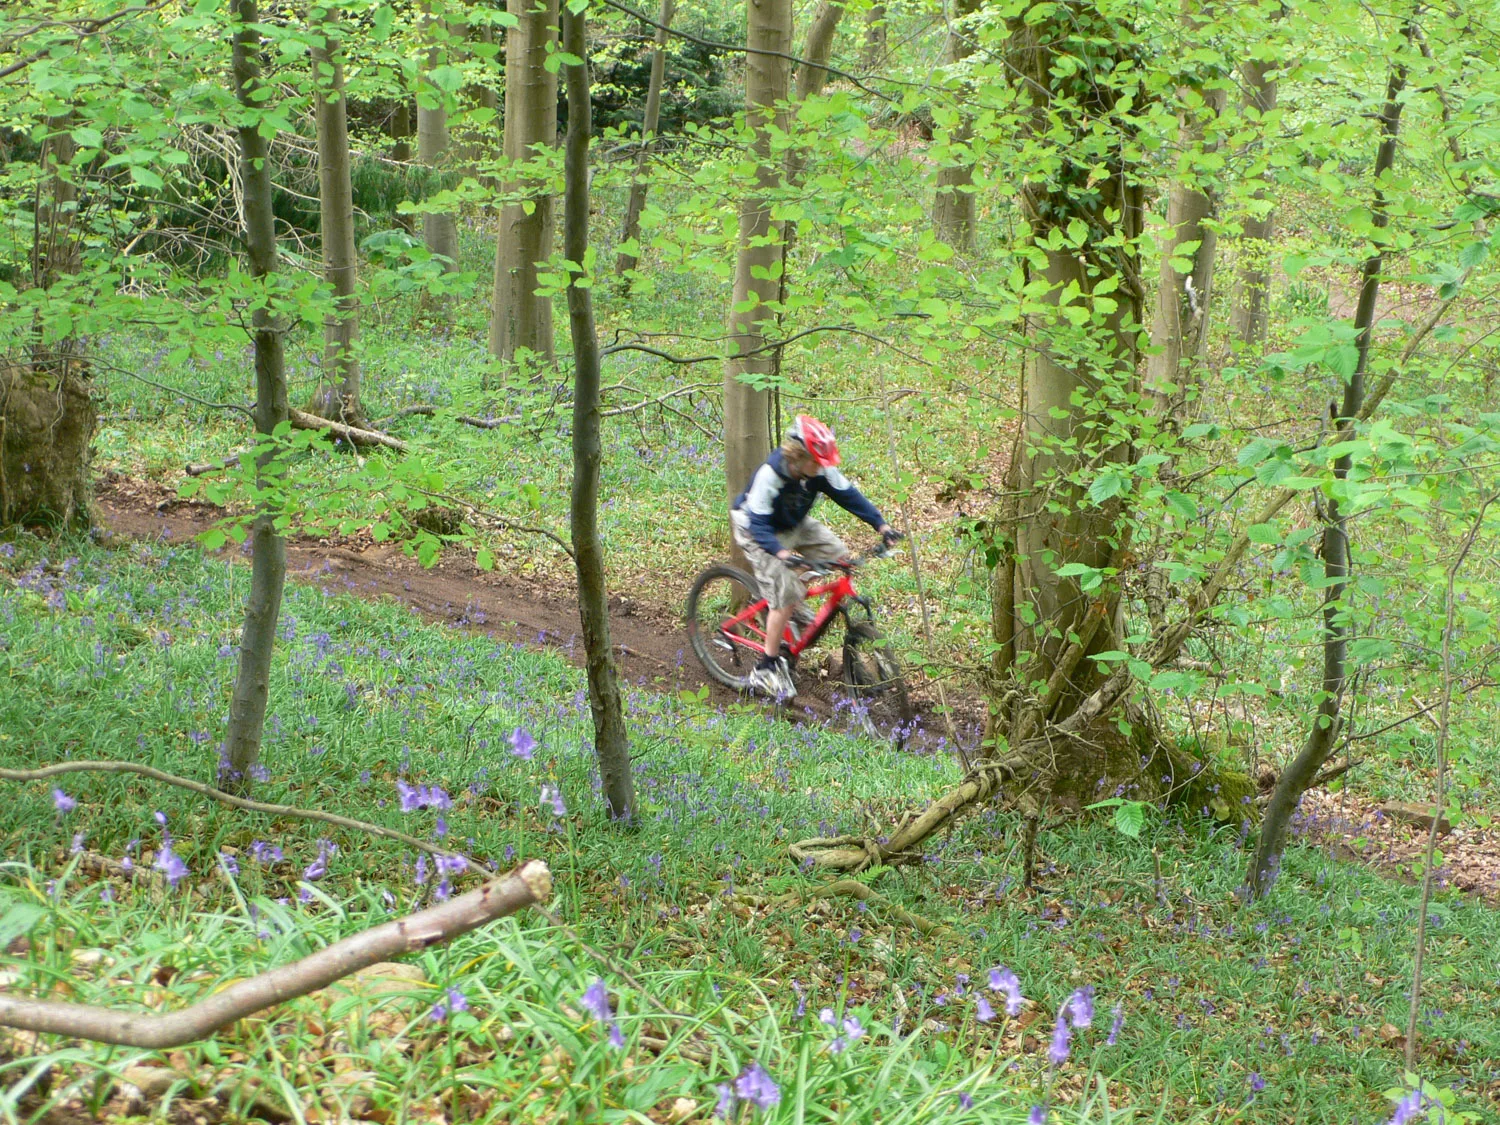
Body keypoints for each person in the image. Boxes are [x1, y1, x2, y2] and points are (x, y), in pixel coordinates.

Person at [730, 414, 901, 698]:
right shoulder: (771, 473)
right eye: (817, 461)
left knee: (838, 556)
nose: (823, 467)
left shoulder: (817, 469)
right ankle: (766, 667)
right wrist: (781, 553)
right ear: (798, 456)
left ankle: (788, 601)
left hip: (794, 523)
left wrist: (880, 524)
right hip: (757, 529)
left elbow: (849, 495)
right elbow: (757, 523)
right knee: (784, 596)